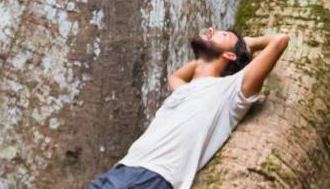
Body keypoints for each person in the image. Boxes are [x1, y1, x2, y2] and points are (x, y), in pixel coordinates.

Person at [88, 27, 291, 189]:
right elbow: (175, 77)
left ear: (229, 55)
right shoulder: (185, 90)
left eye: (223, 34)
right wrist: (205, 55)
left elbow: (279, 41)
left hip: (152, 176)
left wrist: (247, 43)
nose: (212, 29)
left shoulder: (230, 91)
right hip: (120, 170)